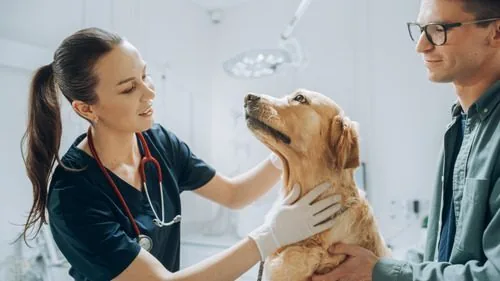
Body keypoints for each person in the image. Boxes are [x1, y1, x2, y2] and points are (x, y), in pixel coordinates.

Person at [20, 27, 343, 281]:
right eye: (128, 88)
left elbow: (235, 195)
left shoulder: (157, 143)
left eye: (144, 75)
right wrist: (268, 238)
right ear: (86, 108)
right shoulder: (73, 195)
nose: (149, 92)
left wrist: (286, 151)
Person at [311, 0, 500, 280]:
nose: (421, 45)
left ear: (495, 32)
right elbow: (440, 245)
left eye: (439, 29)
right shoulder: (461, 127)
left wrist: (383, 271)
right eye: (421, 29)